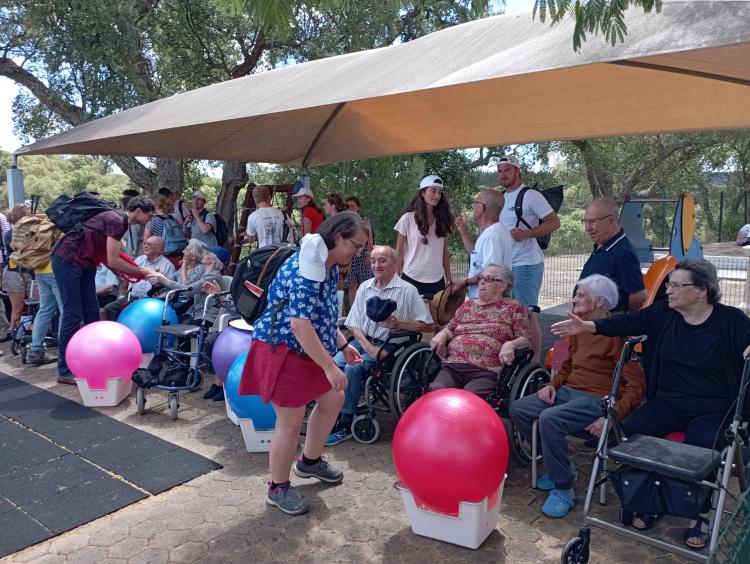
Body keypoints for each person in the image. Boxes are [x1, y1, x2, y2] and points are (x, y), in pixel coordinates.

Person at [552, 259, 750, 548]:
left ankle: (701, 513)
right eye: (670, 284)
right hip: (668, 403)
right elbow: (625, 322)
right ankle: (652, 499)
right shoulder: (664, 314)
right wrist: (588, 325)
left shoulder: (732, 321)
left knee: (701, 448)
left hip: (714, 409)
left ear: (701, 290)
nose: (668, 290)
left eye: (677, 285)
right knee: (628, 431)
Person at [238, 212, 368, 515]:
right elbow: (300, 325)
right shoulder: (303, 269)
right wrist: (330, 366)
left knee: (333, 397)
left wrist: (344, 345)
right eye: (356, 245)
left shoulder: (330, 264)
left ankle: (309, 462)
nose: (358, 252)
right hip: (281, 349)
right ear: (337, 238)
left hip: (305, 349)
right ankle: (277, 487)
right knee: (290, 422)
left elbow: (320, 315)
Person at [510, 275, 646, 518]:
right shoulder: (578, 327)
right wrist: (552, 384)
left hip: (596, 399)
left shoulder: (618, 336)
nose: (573, 299)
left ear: (600, 301)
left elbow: (636, 386)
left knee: (549, 419)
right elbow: (568, 366)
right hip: (567, 392)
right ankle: (560, 465)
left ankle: (564, 489)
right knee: (519, 408)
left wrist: (613, 415)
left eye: (581, 295)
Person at [326, 245, 433, 445]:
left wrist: (399, 324)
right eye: (374, 260)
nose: (377, 265)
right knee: (334, 364)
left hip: (393, 345)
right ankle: (335, 411)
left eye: (382, 260)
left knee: (353, 368)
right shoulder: (365, 287)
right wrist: (368, 347)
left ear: (394, 263)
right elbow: (354, 322)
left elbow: (427, 325)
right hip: (364, 340)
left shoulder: (407, 290)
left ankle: (346, 422)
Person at [52, 196, 157, 384]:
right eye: (148, 216)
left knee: (92, 312)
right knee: (72, 314)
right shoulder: (118, 221)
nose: (149, 221)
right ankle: (65, 369)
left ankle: (94, 359)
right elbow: (113, 258)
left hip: (84, 263)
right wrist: (143, 271)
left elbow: (106, 255)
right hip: (68, 261)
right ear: (138, 211)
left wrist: (120, 272)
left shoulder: (114, 218)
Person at [429, 264, 530, 396]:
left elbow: (525, 339)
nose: (481, 281)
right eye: (480, 278)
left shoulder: (513, 307)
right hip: (453, 366)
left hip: (486, 371)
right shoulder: (467, 305)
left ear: (502, 286)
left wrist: (511, 344)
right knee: (436, 392)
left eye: (488, 279)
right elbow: (450, 328)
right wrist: (441, 335)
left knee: (469, 398)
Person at [497, 155, 560, 359]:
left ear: (517, 171)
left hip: (526, 265)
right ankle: (516, 357)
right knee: (511, 316)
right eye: (500, 171)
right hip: (507, 267)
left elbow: (554, 222)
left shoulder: (531, 195)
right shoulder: (500, 198)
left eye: (507, 170)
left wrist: (526, 234)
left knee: (528, 314)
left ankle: (534, 361)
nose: (503, 175)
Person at [578, 198, 647, 312]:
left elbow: (640, 295)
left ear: (611, 221)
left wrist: (615, 317)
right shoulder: (603, 244)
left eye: (593, 221)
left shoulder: (623, 253)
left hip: (604, 326)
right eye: (585, 221)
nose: (588, 228)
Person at [395, 175, 455, 297]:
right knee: (410, 317)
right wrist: (396, 278)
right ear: (422, 193)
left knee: (435, 317)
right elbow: (399, 252)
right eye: (433, 191)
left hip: (436, 281)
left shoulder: (442, 220)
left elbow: (444, 251)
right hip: (410, 278)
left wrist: (449, 278)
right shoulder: (407, 219)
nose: (437, 195)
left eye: (440, 192)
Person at [454, 189, 513, 299]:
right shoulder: (494, 231)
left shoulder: (491, 236)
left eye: (476, 203)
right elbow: (476, 256)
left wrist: (464, 283)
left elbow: (490, 276)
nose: (474, 206)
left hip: (488, 302)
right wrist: (463, 230)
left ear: (482, 208)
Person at [103, 236, 175, 320]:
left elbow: (169, 288)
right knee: (109, 308)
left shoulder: (167, 265)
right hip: (133, 297)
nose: (145, 246)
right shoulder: (140, 259)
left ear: (159, 249)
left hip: (152, 300)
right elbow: (129, 277)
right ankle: (118, 329)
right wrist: (124, 278)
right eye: (145, 243)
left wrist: (159, 280)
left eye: (149, 244)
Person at [2, 204, 32, 336]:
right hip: (14, 273)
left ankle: (33, 337)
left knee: (35, 307)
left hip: (32, 273)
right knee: (18, 308)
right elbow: (20, 251)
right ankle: (18, 338)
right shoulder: (10, 234)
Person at [344, 196, 374, 310]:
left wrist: (369, 255)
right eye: (348, 206)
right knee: (352, 285)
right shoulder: (345, 221)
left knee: (366, 285)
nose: (350, 208)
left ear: (358, 207)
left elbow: (370, 239)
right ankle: (353, 313)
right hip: (351, 256)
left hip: (363, 255)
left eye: (353, 206)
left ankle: (368, 311)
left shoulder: (364, 221)